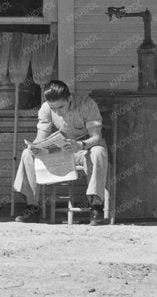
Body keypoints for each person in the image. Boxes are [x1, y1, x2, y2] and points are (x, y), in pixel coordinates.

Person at [12, 80, 108, 225]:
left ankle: (96, 207)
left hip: (84, 149)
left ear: (69, 98)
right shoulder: (46, 108)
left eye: (60, 107)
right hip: (62, 151)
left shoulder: (87, 104)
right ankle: (32, 207)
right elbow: (41, 137)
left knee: (98, 152)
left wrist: (80, 145)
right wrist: (35, 147)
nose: (57, 112)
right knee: (27, 154)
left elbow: (96, 137)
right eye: (53, 108)